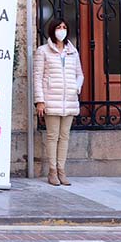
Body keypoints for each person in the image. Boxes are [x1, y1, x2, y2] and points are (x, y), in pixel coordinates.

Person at [34, 17, 84, 186]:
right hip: (51, 99)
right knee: (52, 136)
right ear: (52, 30)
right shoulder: (43, 51)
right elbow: (38, 77)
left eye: (64, 27)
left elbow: (80, 74)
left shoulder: (73, 51)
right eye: (58, 27)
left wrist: (76, 88)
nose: (61, 30)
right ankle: (52, 171)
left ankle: (62, 170)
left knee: (64, 137)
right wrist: (40, 100)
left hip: (69, 100)